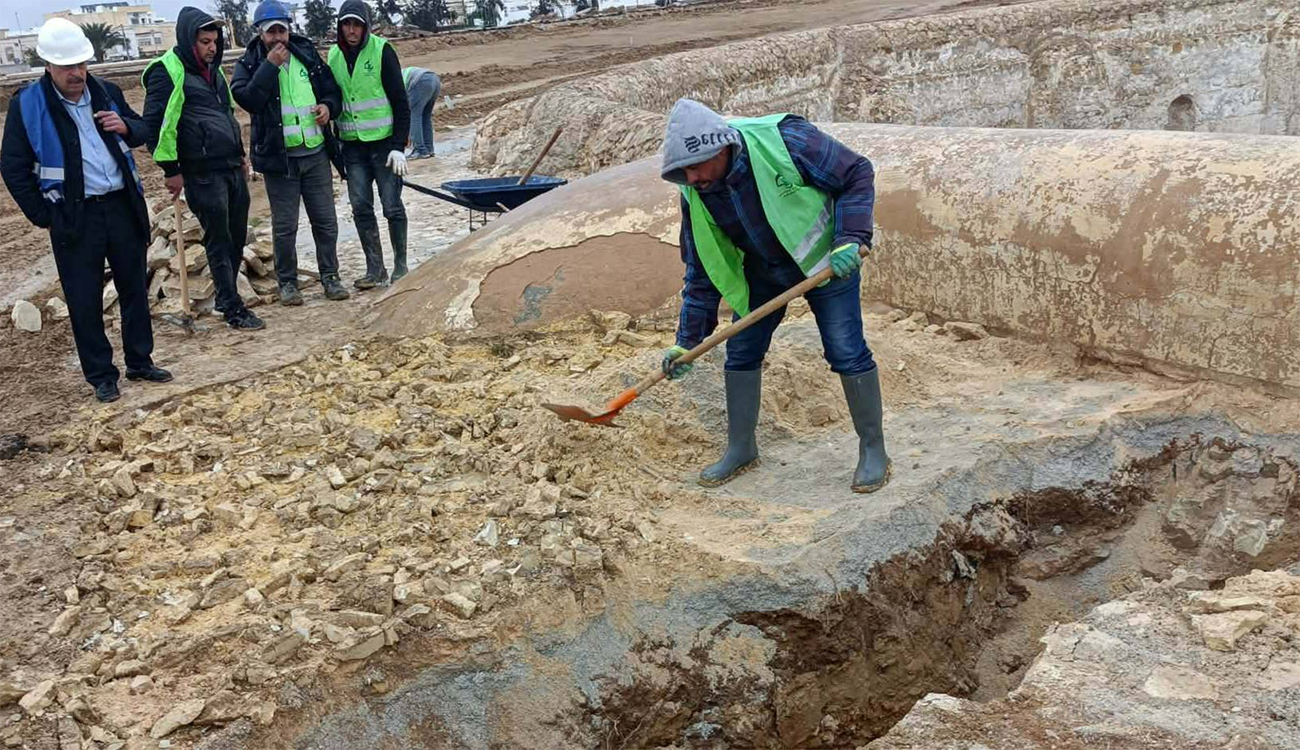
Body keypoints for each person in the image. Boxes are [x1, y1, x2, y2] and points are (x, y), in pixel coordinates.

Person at [658, 98, 890, 493]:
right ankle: (741, 448)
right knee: (742, 351)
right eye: (684, 171)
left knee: (845, 350)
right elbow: (701, 268)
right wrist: (687, 343)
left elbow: (856, 172)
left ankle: (874, 450)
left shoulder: (785, 140)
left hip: (826, 261)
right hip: (763, 271)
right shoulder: (696, 190)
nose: (693, 177)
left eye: (697, 166)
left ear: (722, 146)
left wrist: (851, 237)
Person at [1, 18, 172, 403]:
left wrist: (126, 128)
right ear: (47, 64)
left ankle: (140, 361)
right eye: (67, 67)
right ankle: (101, 375)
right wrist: (44, 215)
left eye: (81, 64)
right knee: (84, 298)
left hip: (121, 206)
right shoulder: (28, 106)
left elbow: (144, 131)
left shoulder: (106, 92)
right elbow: (12, 165)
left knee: (134, 289)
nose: (77, 73)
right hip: (74, 216)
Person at [142, 7, 264, 330]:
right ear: (188, 39)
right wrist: (170, 169)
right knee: (219, 238)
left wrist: (240, 154)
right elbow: (153, 128)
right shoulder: (166, 72)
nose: (212, 48)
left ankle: (226, 298)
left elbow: (226, 116)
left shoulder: (214, 72)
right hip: (201, 171)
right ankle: (233, 308)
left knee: (236, 233)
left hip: (229, 166)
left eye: (214, 41)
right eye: (205, 41)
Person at [231, 0, 350, 306]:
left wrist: (328, 107)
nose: (278, 38)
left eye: (281, 30)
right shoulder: (249, 64)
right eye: (271, 33)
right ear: (259, 34)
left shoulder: (306, 55)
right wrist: (269, 65)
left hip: (315, 153)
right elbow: (249, 100)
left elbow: (332, 92)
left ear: (289, 29)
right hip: (279, 161)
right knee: (285, 227)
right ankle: (287, 283)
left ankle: (331, 277)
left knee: (325, 220)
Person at [326, 0, 412, 287]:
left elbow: (400, 101)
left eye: (357, 24)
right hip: (352, 146)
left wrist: (399, 146)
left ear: (365, 26)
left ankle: (401, 264)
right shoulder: (334, 55)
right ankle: (375, 269)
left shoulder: (382, 50)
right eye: (346, 24)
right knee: (361, 207)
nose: (351, 30)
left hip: (384, 145)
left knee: (391, 206)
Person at [402, 66, 441, 159]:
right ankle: (428, 149)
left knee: (414, 115)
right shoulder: (391, 76)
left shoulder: (385, 87)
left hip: (420, 81)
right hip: (434, 79)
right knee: (425, 116)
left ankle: (420, 150)